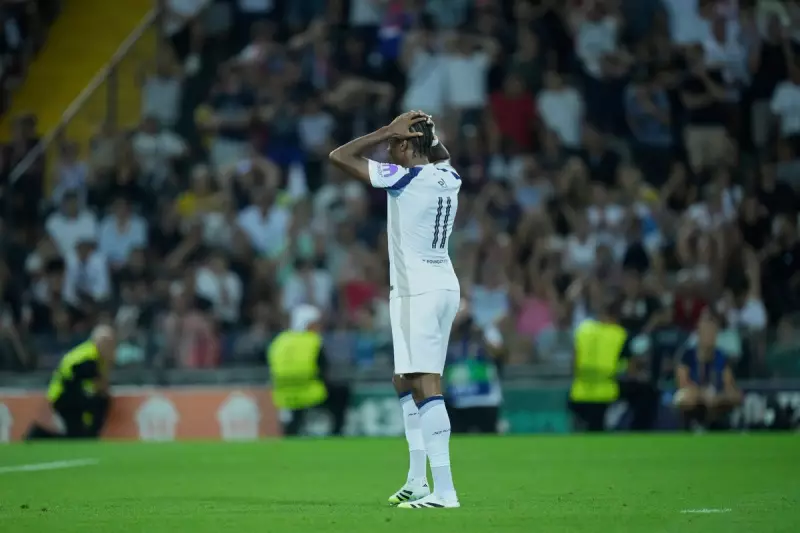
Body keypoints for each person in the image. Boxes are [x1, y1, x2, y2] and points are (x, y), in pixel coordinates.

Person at [329, 111, 461, 509]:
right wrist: (426, 133)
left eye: (394, 144)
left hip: (414, 292)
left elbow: (339, 156)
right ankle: (417, 479)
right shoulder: (448, 176)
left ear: (405, 146)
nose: (389, 148)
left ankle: (445, 491)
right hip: (444, 286)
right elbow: (440, 154)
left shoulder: (403, 177)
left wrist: (385, 129)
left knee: (424, 383)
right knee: (404, 379)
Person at [26, 325, 116, 440]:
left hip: (66, 393)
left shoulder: (90, 352)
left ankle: (40, 434)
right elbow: (99, 384)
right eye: (108, 343)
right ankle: (40, 434)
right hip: (65, 395)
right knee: (100, 403)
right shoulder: (89, 358)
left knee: (75, 434)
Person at [268, 305, 335, 436]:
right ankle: (336, 432)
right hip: (309, 391)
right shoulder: (313, 341)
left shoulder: (279, 341)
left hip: (283, 394)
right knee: (339, 394)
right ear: (308, 324)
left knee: (292, 420)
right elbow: (323, 369)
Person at [674, 309, 743, 431]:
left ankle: (719, 425)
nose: (710, 336)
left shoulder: (721, 357)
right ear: (699, 333)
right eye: (706, 332)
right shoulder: (687, 355)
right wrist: (702, 394)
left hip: (716, 396)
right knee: (686, 397)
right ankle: (693, 425)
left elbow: (729, 385)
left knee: (735, 396)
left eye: (712, 332)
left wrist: (717, 396)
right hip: (695, 395)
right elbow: (683, 384)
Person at [444, 299, 504, 434]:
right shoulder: (447, 336)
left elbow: (499, 353)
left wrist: (480, 335)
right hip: (458, 400)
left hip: (486, 398)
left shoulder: (487, 332)